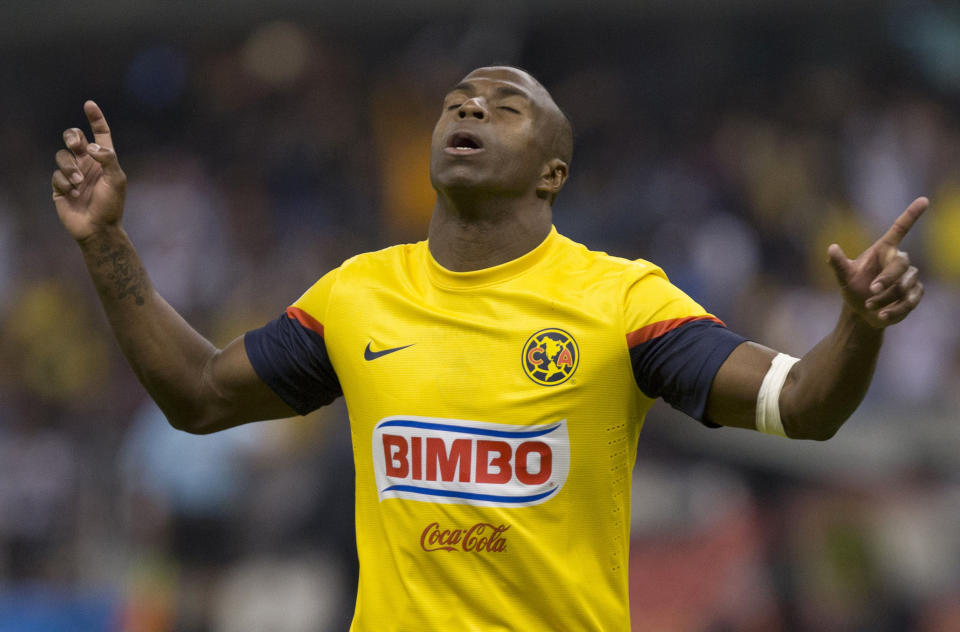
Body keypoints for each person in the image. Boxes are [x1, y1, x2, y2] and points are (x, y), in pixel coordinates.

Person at [51, 66, 927, 630]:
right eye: (458, 101)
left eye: (507, 108)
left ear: (553, 172)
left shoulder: (620, 301)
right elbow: (200, 394)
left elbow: (802, 408)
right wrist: (105, 243)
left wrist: (856, 328)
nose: (470, 107)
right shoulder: (359, 293)